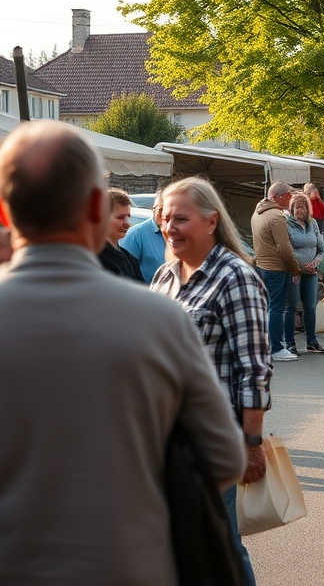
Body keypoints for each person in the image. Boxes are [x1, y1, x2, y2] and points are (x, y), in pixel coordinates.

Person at [0, 122, 245, 585]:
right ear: (96, 205)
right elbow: (222, 457)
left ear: (5, 211)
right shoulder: (160, 319)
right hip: (129, 563)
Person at [151, 176, 271, 585]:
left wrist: (251, 443)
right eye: (166, 218)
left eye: (181, 219)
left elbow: (254, 368)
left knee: (219, 544)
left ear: (211, 221)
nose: (169, 227)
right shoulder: (165, 277)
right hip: (164, 439)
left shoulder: (235, 277)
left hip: (210, 440)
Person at [251, 182, 303, 362]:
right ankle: (277, 348)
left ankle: (266, 346)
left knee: (268, 308)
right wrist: (295, 269)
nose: (291, 198)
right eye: (289, 194)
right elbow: (284, 247)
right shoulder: (277, 216)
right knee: (276, 308)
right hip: (276, 268)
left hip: (262, 267)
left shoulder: (258, 212)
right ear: (280, 196)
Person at [285, 193, 324, 355]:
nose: (299, 211)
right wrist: (298, 268)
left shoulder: (313, 224)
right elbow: (286, 250)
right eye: (296, 207)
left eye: (302, 207)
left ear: (307, 209)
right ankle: (290, 343)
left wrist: (316, 263)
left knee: (310, 307)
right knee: (291, 307)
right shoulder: (286, 224)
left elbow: (321, 249)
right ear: (291, 209)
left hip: (311, 272)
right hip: (295, 272)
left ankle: (312, 341)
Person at [98, 187, 145, 281]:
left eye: (127, 218)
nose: (127, 224)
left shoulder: (129, 258)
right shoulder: (94, 258)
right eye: (120, 218)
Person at [120, 190, 167, 282]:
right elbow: (125, 272)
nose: (164, 215)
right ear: (153, 209)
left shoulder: (178, 234)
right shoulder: (136, 234)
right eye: (159, 210)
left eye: (167, 210)